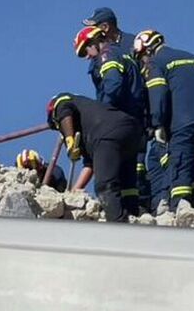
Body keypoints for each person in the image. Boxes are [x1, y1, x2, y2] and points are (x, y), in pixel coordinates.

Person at [134, 29, 194, 210]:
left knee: (180, 164)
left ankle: (179, 210)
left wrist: (158, 124)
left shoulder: (156, 63)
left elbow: (158, 94)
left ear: (147, 50)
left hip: (183, 123)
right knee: (193, 163)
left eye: (141, 57)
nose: (142, 62)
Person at [74, 25, 147, 213]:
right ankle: (132, 215)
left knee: (108, 180)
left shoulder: (107, 55)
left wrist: (103, 113)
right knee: (128, 178)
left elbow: (113, 84)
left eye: (86, 50)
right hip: (135, 124)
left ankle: (117, 221)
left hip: (118, 122)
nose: (88, 56)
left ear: (95, 41)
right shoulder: (123, 54)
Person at [46, 93, 142, 221]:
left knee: (105, 185)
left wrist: (69, 140)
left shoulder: (60, 102)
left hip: (107, 133)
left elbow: (63, 109)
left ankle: (119, 226)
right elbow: (90, 165)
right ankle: (134, 218)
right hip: (131, 131)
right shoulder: (85, 124)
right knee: (127, 186)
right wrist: (75, 190)